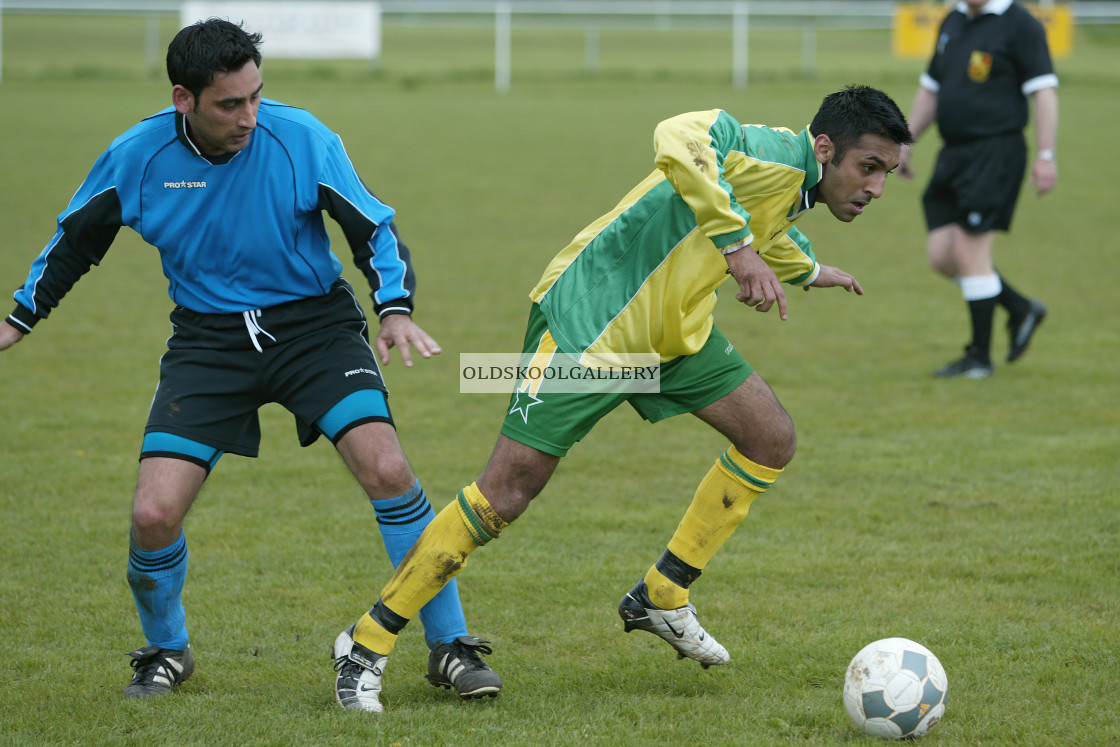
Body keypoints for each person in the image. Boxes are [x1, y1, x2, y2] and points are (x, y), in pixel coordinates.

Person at [324, 86, 914, 712]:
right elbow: (678, 137)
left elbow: (758, 217)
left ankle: (663, 593)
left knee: (770, 438)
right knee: (506, 493)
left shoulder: (796, 186)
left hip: (671, 335)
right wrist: (739, 252)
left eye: (887, 173)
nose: (876, 187)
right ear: (825, 149)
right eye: (868, 167)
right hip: (592, 325)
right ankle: (364, 643)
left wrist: (809, 270)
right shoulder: (765, 149)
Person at [0, 19, 500, 708]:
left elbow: (371, 227)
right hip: (208, 344)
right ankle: (166, 650)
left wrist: (395, 308)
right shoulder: (136, 157)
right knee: (152, 513)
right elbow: (74, 238)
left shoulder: (301, 138)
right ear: (185, 98)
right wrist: (18, 318)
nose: (249, 116)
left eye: (256, 96)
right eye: (230, 104)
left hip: (313, 328)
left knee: (387, 468)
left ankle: (450, 646)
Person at [898, 0, 1057, 378]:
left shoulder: (1020, 24)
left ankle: (978, 358)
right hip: (953, 154)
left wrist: (1046, 154)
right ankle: (1020, 308)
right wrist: (905, 142)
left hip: (996, 152)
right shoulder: (953, 20)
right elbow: (931, 90)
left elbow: (1044, 92)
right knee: (942, 255)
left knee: (970, 253)